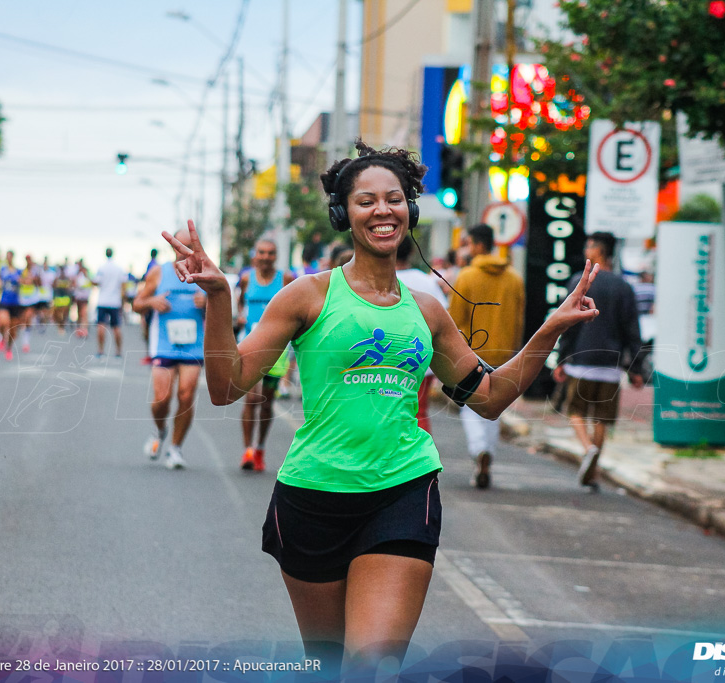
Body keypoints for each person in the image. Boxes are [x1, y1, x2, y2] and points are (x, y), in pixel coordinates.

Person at [161, 141, 600, 674]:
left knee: (372, 663)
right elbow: (226, 386)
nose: (382, 211)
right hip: (312, 497)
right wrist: (220, 298)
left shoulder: (427, 310)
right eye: (365, 201)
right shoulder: (307, 295)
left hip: (402, 489)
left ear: (410, 210)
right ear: (343, 213)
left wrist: (549, 329)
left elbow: (488, 399)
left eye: (394, 199)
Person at [553, 231, 644, 488]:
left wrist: (561, 359)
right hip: (610, 367)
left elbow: (566, 324)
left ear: (599, 251)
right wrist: (635, 368)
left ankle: (587, 450)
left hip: (580, 361)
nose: (585, 252)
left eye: (589, 247)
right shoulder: (624, 287)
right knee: (602, 418)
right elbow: (632, 330)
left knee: (575, 411)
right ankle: (593, 468)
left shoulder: (578, 283)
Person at [448, 224, 525, 489]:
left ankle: (479, 449)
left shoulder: (466, 276)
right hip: (504, 352)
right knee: (495, 407)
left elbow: (455, 319)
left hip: (471, 352)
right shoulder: (514, 278)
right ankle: (487, 454)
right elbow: (518, 319)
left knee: (471, 406)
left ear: (478, 245)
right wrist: (514, 350)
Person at [133, 229, 207, 470]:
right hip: (164, 343)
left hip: (194, 345)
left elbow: (226, 308)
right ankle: (160, 429)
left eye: (190, 247)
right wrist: (151, 302)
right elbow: (137, 303)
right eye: (180, 246)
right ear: (174, 248)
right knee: (161, 398)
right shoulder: (159, 272)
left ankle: (175, 448)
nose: (185, 251)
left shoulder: (206, 273)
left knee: (186, 395)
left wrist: (209, 302)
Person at [237, 238, 295, 472]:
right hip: (250, 344)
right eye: (261, 252)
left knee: (267, 401)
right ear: (255, 254)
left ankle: (260, 446)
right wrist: (240, 317)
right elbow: (241, 302)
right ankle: (247, 450)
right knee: (251, 398)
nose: (265, 257)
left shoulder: (286, 279)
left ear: (276, 255)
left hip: (276, 347)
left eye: (270, 253)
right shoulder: (246, 278)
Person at [395, 236, 448, 434]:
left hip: (383, 360)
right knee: (419, 412)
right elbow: (444, 318)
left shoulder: (377, 280)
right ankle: (423, 462)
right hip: (419, 358)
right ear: (411, 252)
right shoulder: (427, 281)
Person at [94, 247, 127, 359]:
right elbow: (123, 285)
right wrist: (123, 301)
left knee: (101, 326)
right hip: (115, 301)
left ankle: (101, 350)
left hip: (103, 300)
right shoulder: (119, 268)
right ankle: (118, 351)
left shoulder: (101, 268)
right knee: (116, 327)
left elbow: (97, 282)